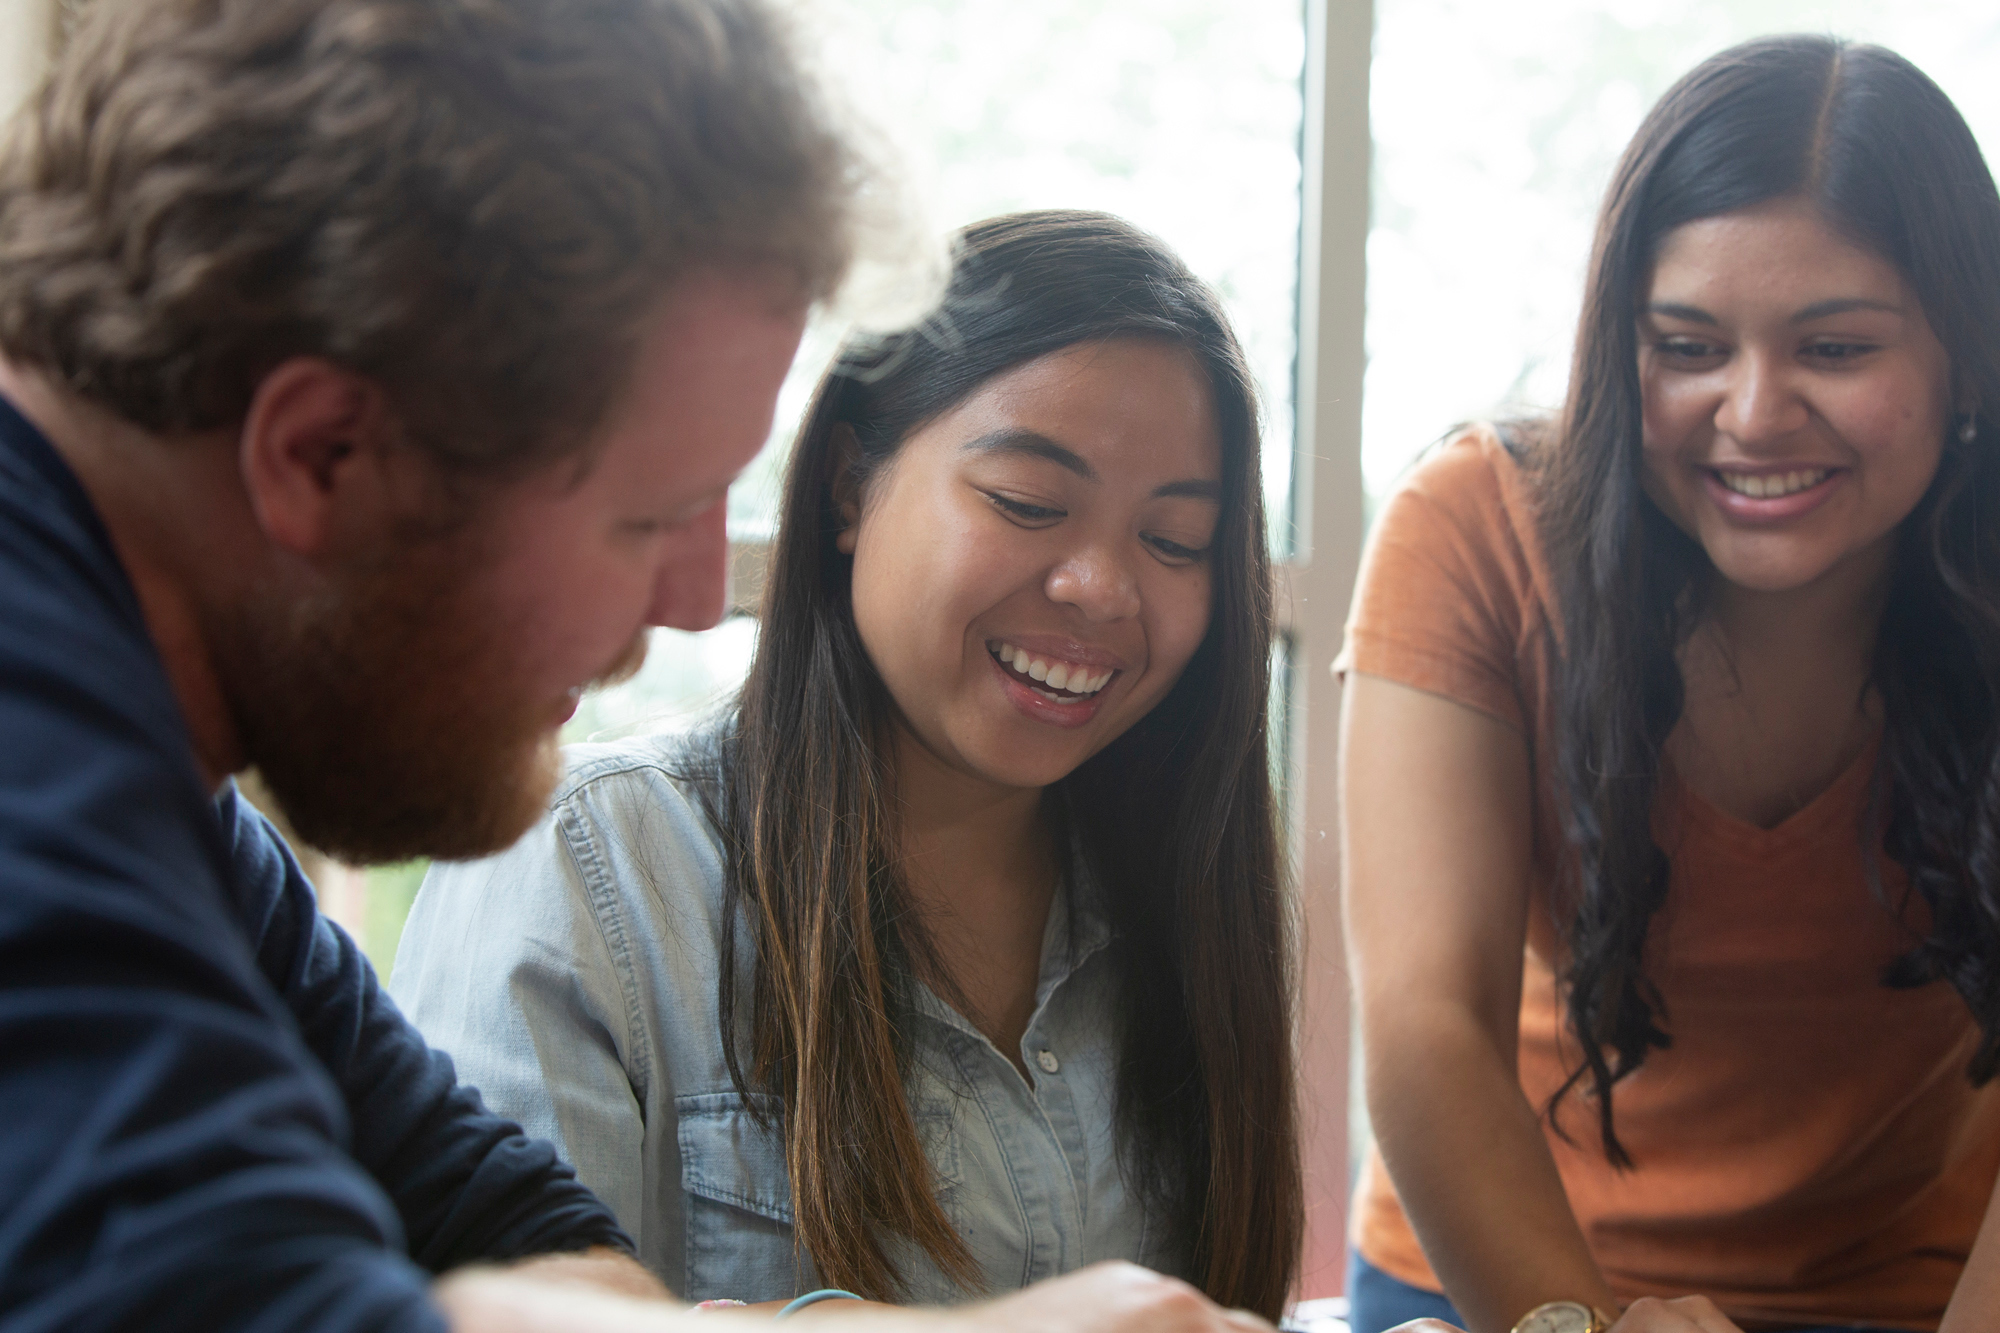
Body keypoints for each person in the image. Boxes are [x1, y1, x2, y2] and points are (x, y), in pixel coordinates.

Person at [0, 2, 1276, 1331]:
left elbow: (492, 1219)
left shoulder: (175, 806)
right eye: (648, 516)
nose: (685, 601)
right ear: (325, 455)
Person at [391, 210, 1305, 1320]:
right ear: (843, 485)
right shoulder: (591, 867)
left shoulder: (1183, 900)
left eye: (1173, 542)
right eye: (1027, 503)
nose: (1101, 589)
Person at [1339, 33, 2000, 1333]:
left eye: (1835, 348)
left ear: (1965, 361)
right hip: (1499, 1279)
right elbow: (1427, 1026)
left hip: (1910, 1290)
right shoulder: (1473, 527)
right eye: (1687, 345)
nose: (1752, 413)